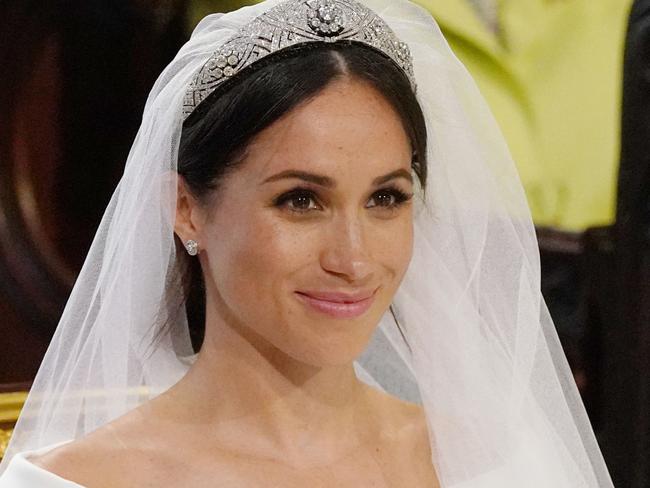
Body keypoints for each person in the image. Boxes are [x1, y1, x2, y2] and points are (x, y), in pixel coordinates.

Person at [0, 0, 615, 486]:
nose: (352, 259)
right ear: (186, 209)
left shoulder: (488, 463)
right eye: (300, 200)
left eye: (386, 198)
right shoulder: (73, 481)